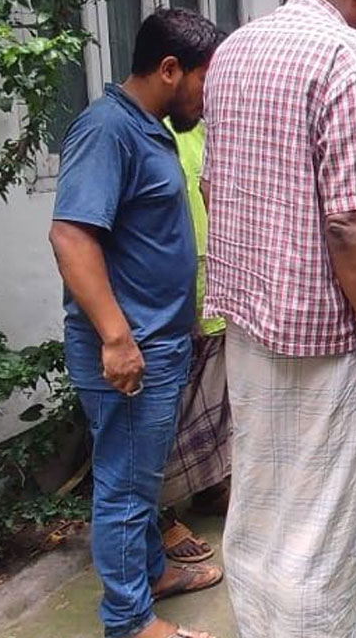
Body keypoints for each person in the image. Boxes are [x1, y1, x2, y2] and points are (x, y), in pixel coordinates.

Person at [201, 0, 356, 635]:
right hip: (323, 337)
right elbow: (351, 222)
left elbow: (213, 185)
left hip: (248, 323)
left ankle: (260, 623)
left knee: (263, 497)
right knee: (324, 516)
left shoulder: (233, 49)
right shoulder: (349, 57)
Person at [49, 8, 225, 638]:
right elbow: (71, 237)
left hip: (160, 342)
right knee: (125, 488)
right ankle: (129, 622)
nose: (208, 99)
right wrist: (118, 339)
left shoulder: (148, 128)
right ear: (170, 69)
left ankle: (150, 573)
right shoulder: (106, 130)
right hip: (130, 354)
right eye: (205, 82)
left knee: (140, 480)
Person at [158, 118, 232, 564]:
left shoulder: (212, 128)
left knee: (215, 398)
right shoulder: (157, 131)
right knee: (171, 403)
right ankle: (163, 515)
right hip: (175, 287)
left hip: (215, 277)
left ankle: (207, 487)